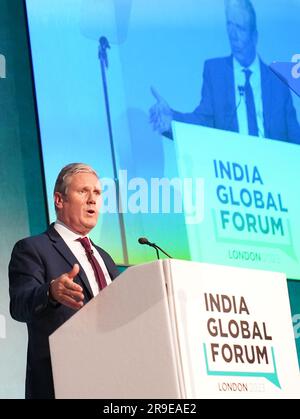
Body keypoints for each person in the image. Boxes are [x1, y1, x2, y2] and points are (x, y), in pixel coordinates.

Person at [9, 163, 120, 399]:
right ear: (59, 200)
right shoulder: (32, 249)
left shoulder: (105, 258)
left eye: (97, 193)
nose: (92, 200)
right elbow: (19, 306)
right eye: (83, 192)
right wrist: (50, 292)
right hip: (61, 383)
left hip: (113, 378)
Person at [149, 0, 300, 144]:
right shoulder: (216, 73)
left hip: (272, 166)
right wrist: (172, 120)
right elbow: (203, 121)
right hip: (231, 168)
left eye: (240, 28)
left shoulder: (277, 81)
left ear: (254, 36)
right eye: (230, 26)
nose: (233, 36)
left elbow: (295, 137)